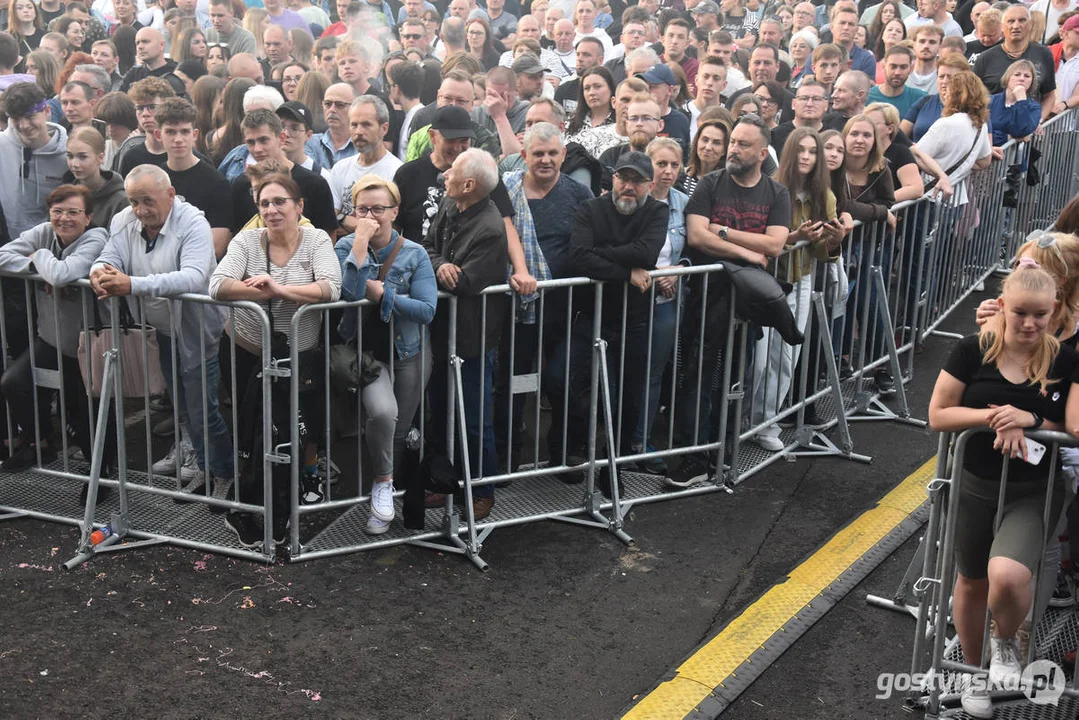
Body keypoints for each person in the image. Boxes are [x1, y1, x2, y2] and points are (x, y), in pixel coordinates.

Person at [929, 261, 1077, 718]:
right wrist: (996, 415)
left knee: (1009, 577)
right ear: (1002, 308)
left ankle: (1004, 641)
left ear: (1055, 312)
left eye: (1040, 314)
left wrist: (1030, 419)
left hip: (1034, 490)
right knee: (971, 582)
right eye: (1020, 313)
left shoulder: (1067, 360)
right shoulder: (973, 349)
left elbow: (1072, 426)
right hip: (974, 484)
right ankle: (971, 675)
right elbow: (938, 414)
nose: (1030, 324)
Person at [209, 172, 341, 547]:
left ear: (299, 207)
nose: (271, 209)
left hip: (299, 352)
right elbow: (217, 285)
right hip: (247, 350)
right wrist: (261, 294)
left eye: (280, 201)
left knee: (296, 427)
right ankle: (253, 504)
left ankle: (295, 492)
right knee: (253, 427)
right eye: (264, 203)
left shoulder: (315, 239)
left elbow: (331, 286)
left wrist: (279, 288)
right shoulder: (248, 240)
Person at [90, 164, 231, 495]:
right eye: (134, 202)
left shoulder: (194, 222)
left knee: (202, 406)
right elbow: (110, 254)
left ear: (170, 195)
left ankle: (225, 472)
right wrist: (100, 271)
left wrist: (130, 284)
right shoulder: (124, 220)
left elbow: (194, 276)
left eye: (147, 202)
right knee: (182, 402)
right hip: (162, 325)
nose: (140, 211)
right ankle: (203, 465)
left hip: (197, 325)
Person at [669, 115, 790, 486]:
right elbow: (696, 236)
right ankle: (692, 456)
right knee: (697, 375)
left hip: (748, 303)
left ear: (762, 152)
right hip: (706, 298)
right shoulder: (710, 183)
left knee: (735, 377)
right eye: (733, 141)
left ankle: (722, 450)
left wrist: (723, 231)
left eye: (743, 144)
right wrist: (747, 251)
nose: (733, 149)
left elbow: (775, 244)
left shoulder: (776, 192)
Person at [543, 150, 666, 492]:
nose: (629, 187)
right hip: (589, 318)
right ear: (612, 179)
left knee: (623, 398)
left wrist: (603, 255)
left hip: (634, 321)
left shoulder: (658, 210)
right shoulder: (590, 209)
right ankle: (573, 443)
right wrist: (627, 272)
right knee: (557, 376)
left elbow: (648, 253)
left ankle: (613, 470)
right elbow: (578, 257)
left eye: (638, 181)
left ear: (649, 185)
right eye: (624, 178)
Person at [333, 175, 436, 534]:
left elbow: (426, 310)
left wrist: (385, 296)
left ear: (394, 211)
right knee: (382, 412)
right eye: (363, 209)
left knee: (398, 427)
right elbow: (349, 292)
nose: (371, 215)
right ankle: (381, 483)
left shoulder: (415, 253)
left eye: (378, 208)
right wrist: (360, 240)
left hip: (409, 350)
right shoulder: (346, 246)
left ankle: (385, 496)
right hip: (366, 354)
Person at [493, 121, 593, 472]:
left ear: (564, 155)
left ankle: (567, 453)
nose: (546, 160)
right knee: (512, 384)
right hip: (516, 308)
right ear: (524, 156)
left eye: (553, 153)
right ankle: (506, 458)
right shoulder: (506, 190)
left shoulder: (580, 195)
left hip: (564, 307)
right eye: (538, 154)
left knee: (563, 380)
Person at [421, 148, 509, 521]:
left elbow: (468, 281)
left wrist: (444, 270)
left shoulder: (490, 227)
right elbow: (427, 247)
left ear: (468, 184)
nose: (445, 175)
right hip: (441, 333)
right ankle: (443, 484)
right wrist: (441, 265)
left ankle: (482, 490)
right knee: (439, 413)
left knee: (474, 419)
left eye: (452, 172)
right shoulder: (451, 205)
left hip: (472, 339)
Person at [0, 185, 110, 473]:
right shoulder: (43, 233)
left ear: (88, 217)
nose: (64, 218)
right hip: (50, 338)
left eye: (73, 212)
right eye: (57, 211)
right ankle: (40, 444)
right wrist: (37, 267)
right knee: (14, 382)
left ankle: (103, 472)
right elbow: (2, 255)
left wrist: (40, 257)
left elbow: (62, 275)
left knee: (81, 414)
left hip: (87, 343)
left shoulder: (96, 237)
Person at [750, 127, 844, 451]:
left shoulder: (825, 196)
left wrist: (834, 240)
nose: (806, 157)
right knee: (759, 360)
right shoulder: (770, 189)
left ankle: (765, 424)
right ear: (791, 153)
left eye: (812, 151)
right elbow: (764, 240)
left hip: (801, 281)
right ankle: (742, 421)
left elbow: (822, 253)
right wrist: (792, 238)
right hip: (766, 283)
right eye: (801, 150)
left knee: (787, 357)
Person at [631, 137, 688, 475]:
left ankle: (640, 440)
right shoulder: (632, 197)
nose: (667, 171)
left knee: (652, 374)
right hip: (632, 299)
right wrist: (654, 272)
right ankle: (618, 440)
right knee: (625, 372)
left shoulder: (683, 202)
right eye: (661, 164)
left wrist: (680, 270)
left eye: (674, 165)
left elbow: (695, 244)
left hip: (666, 302)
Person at [836, 114, 896, 387]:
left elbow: (889, 201)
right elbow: (841, 205)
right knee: (841, 303)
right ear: (845, 136)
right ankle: (840, 359)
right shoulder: (832, 166)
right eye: (854, 134)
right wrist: (880, 213)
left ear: (875, 141)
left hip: (869, 246)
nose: (860, 140)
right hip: (837, 247)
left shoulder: (881, 168)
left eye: (867, 135)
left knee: (870, 304)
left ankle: (880, 365)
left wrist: (881, 211)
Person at [230, 109, 336, 235]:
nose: (257, 149)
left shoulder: (314, 183)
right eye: (251, 142)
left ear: (281, 138)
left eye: (264, 140)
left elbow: (328, 236)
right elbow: (235, 233)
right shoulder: (241, 184)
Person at [0, 82, 68, 242]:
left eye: (30, 116)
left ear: (46, 111)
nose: (24, 125)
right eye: (16, 119)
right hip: (5, 242)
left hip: (50, 243)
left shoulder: (67, 155)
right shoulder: (2, 145)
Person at [327, 95, 403, 233]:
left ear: (384, 129)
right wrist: (344, 219)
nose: (359, 132)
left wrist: (343, 220)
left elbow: (389, 230)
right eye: (354, 125)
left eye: (366, 124)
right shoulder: (340, 168)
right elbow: (329, 221)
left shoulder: (398, 171)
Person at [974, 5, 1057, 119]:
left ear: (1030, 25)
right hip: (994, 130)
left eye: (1022, 20)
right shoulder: (985, 58)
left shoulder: (1044, 54)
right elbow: (973, 97)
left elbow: (1049, 96)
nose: (1016, 26)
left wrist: (1036, 122)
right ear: (1002, 27)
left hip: (1030, 131)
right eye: (1011, 21)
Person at [63, 126, 126, 228]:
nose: (74, 164)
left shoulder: (119, 201)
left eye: (83, 157)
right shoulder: (65, 192)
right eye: (70, 156)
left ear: (100, 158)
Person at [900, 53, 969, 141]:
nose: (945, 81)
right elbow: (900, 137)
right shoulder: (924, 102)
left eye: (950, 77)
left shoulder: (973, 107)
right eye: (941, 76)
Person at [304, 81, 357, 170]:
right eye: (327, 104)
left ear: (355, 107)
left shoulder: (362, 144)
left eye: (340, 105)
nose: (332, 109)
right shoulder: (309, 142)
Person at [770, 79, 828, 160]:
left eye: (816, 99)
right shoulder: (775, 136)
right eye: (804, 98)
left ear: (826, 105)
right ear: (793, 104)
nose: (809, 104)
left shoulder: (831, 137)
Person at [990, 59, 1044, 145]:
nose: (1022, 79)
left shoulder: (1034, 107)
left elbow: (1021, 131)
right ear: (1008, 77)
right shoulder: (990, 101)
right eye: (1017, 74)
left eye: (1027, 76)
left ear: (1032, 81)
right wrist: (1007, 138)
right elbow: (981, 134)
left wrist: (1021, 100)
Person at [119, 28, 184, 95]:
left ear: (161, 45)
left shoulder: (178, 72)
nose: (140, 47)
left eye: (145, 41)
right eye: (137, 43)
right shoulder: (133, 74)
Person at [868, 45, 927, 116]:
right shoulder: (867, 97)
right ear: (884, 66)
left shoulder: (920, 99)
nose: (897, 72)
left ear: (911, 69)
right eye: (893, 67)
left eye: (903, 67)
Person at [678, 117, 729, 197]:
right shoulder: (680, 176)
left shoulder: (728, 183)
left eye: (716, 143)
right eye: (705, 140)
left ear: (725, 150)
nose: (708, 147)